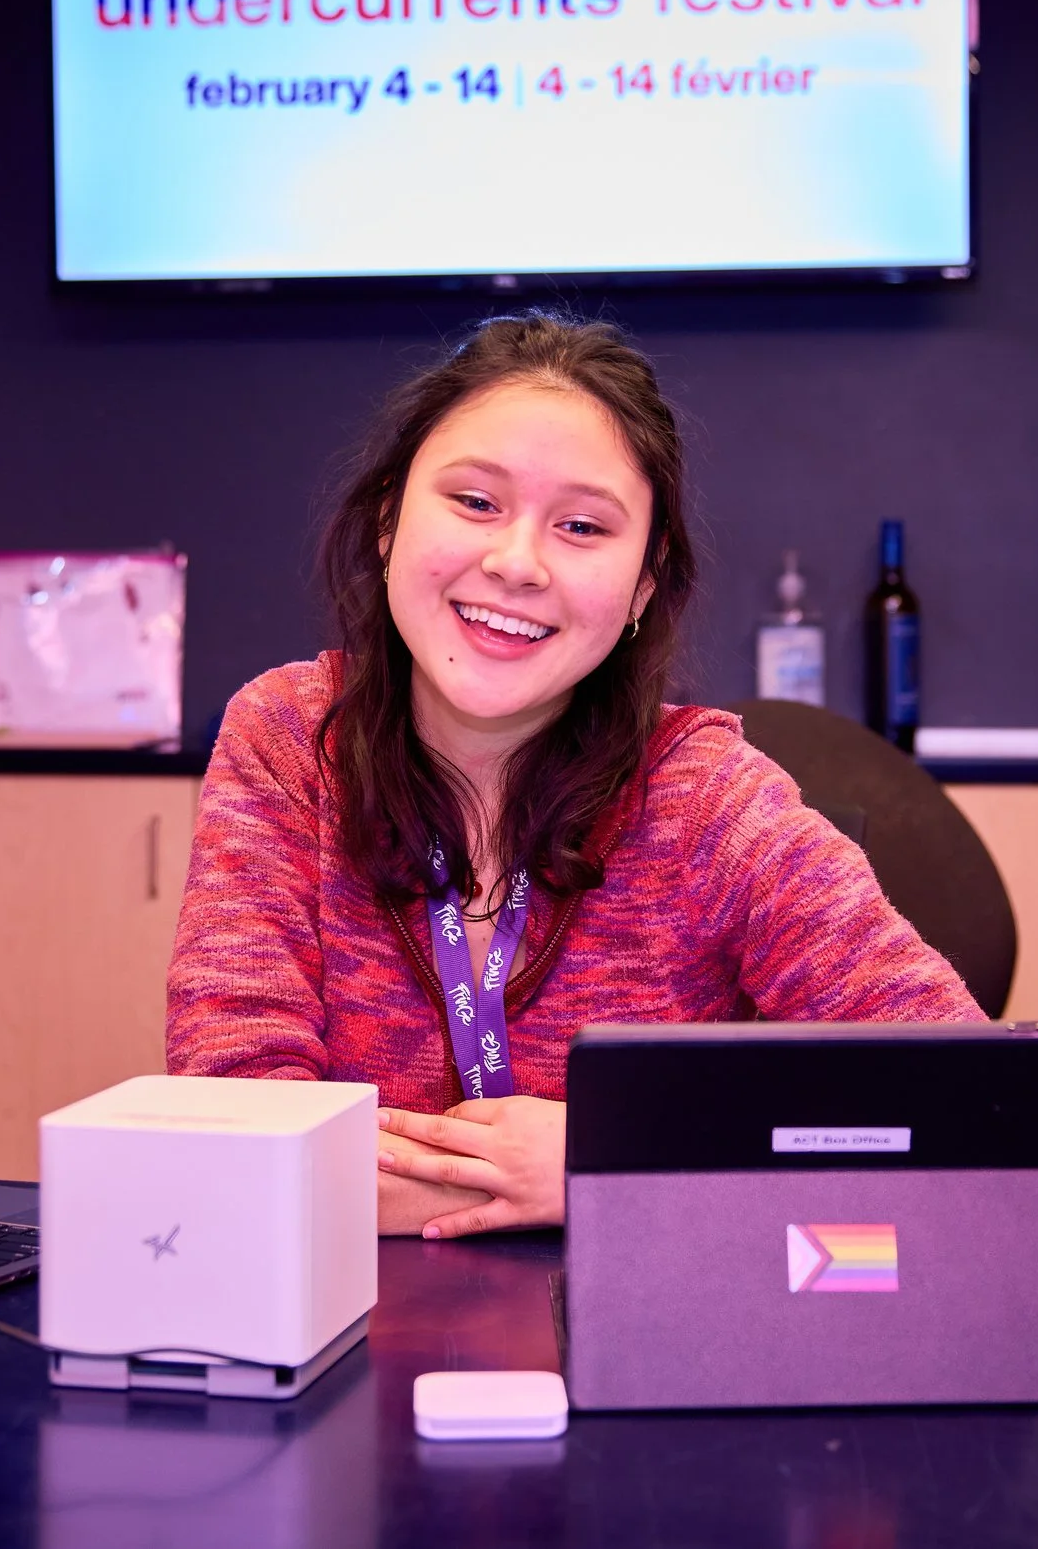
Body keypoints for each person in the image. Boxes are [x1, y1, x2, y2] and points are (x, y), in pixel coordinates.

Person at [164, 312, 980, 1240]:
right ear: (389, 518)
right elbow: (239, 1135)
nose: (516, 563)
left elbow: (962, 1099)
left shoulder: (709, 798)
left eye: (583, 526)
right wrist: (618, 1177)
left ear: (643, 583)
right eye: (476, 501)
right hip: (338, 1314)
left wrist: (611, 1154)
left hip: (644, 1318)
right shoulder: (289, 740)